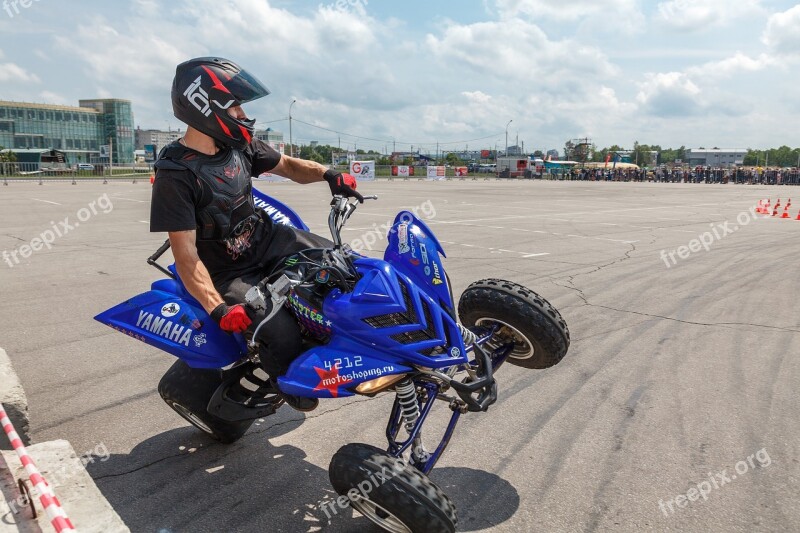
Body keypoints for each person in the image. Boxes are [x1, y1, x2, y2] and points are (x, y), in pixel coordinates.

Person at [149, 57, 363, 412]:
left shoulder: (238, 145)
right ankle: (286, 380)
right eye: (234, 105)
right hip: (229, 272)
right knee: (278, 331)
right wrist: (218, 309)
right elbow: (186, 258)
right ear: (206, 105)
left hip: (270, 241)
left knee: (346, 265)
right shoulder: (176, 173)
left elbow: (290, 167)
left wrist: (329, 174)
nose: (242, 113)